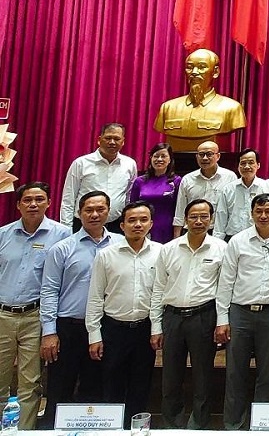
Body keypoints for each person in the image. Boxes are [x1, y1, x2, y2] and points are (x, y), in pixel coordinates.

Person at [40, 191, 122, 428]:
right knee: (59, 387)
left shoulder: (120, 244)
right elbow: (49, 291)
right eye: (88, 210)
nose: (94, 214)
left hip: (104, 328)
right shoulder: (62, 248)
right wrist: (49, 331)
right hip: (69, 328)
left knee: (95, 386)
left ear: (109, 212)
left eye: (100, 209)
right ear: (79, 213)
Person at [215, 193, 269, 429]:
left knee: (267, 373)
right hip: (240, 313)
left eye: (268, 211)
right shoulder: (237, 241)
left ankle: (261, 425)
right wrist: (222, 319)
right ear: (251, 213)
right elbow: (225, 282)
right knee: (235, 373)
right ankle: (233, 426)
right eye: (258, 211)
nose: (263, 215)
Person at [149, 198, 226, 429]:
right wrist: (156, 326)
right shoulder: (169, 249)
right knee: (170, 376)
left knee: (203, 375)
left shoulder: (221, 249)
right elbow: (158, 288)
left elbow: (224, 290)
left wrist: (222, 322)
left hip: (204, 316)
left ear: (211, 220)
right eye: (193, 216)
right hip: (172, 317)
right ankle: (172, 424)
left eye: (204, 216)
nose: (199, 221)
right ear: (184, 220)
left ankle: (198, 425)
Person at [0, 182, 71, 429]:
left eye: (39, 199)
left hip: (36, 316)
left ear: (49, 203)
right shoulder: (3, 234)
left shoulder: (62, 235)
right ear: (18, 204)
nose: (33, 204)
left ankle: (24, 432)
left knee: (29, 383)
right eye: (27, 200)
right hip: (3, 316)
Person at [85, 201, 161, 418]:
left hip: (144, 329)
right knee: (111, 385)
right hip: (113, 330)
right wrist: (94, 335)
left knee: (141, 385)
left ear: (151, 224)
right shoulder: (106, 255)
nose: (138, 224)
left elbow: (159, 295)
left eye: (143, 220)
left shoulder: (161, 252)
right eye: (132, 220)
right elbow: (96, 296)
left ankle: (136, 429)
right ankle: (113, 429)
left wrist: (156, 328)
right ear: (122, 225)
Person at [154, 48, 247, 151]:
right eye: (189, 67)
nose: (194, 72)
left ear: (215, 72)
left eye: (202, 67)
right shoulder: (168, 108)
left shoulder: (231, 108)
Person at [59, 123, 137, 233]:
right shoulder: (81, 163)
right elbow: (69, 198)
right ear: (99, 140)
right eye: (108, 138)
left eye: (117, 139)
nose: (112, 142)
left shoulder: (129, 164)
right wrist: (66, 230)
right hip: (83, 225)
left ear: (123, 141)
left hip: (115, 226)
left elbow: (129, 196)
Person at [172, 140, 237, 238]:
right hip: (192, 230)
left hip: (219, 231)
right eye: (201, 154)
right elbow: (180, 210)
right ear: (196, 157)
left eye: (209, 154)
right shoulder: (188, 179)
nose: (205, 158)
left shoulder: (230, 177)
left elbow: (232, 209)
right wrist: (176, 237)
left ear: (218, 156)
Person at [128, 143, 181, 243]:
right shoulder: (139, 181)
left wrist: (176, 235)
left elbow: (179, 209)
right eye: (156, 156)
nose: (159, 159)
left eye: (163, 156)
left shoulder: (176, 181)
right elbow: (132, 207)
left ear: (170, 160)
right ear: (151, 158)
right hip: (143, 227)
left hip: (167, 228)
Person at [215, 149, 268, 240]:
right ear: (238, 166)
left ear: (258, 165)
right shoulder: (228, 189)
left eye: (251, 163)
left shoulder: (266, 187)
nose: (247, 167)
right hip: (232, 237)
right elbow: (221, 216)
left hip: (258, 237)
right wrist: (218, 241)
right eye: (243, 163)